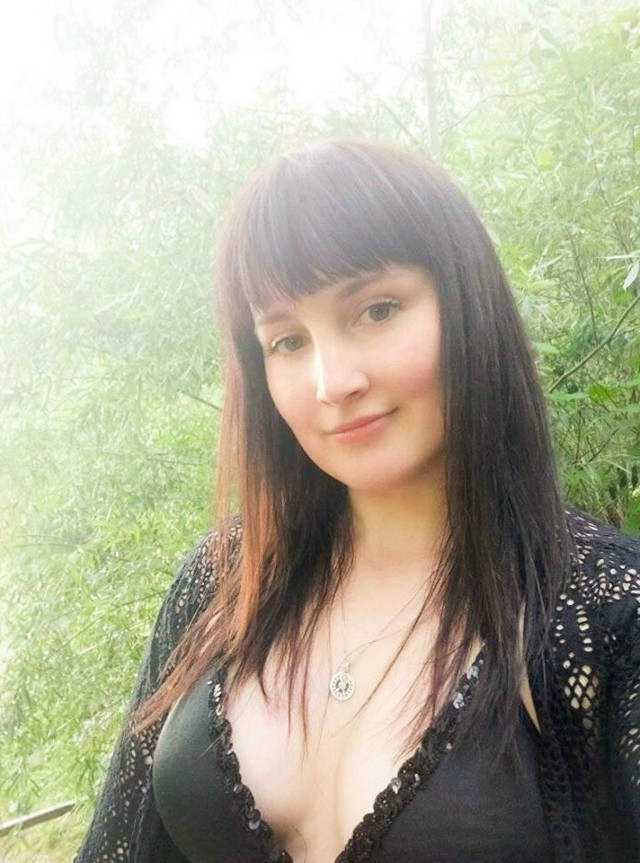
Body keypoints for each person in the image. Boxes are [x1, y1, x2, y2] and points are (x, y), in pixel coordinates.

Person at [75, 139, 640, 863]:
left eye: (376, 309)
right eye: (286, 341)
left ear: (468, 304)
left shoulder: (606, 615)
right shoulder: (222, 580)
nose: (332, 382)